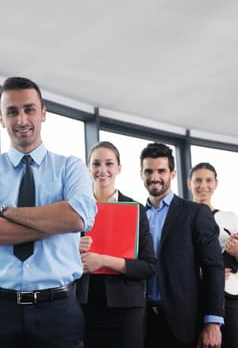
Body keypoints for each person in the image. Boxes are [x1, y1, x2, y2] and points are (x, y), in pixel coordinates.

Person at [0, 76, 97, 348]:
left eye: (29, 109)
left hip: (57, 311)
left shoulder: (71, 168)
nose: (22, 119)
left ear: (43, 114)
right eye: (12, 112)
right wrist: (53, 222)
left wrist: (8, 212)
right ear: (1, 118)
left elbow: (77, 217)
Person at [139, 142, 225, 348]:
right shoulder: (136, 215)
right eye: (148, 171)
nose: (154, 177)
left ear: (173, 173)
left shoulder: (195, 212)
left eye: (161, 171)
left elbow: (213, 266)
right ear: (141, 174)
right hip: (142, 320)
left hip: (183, 321)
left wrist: (213, 321)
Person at [76, 141, 156, 347]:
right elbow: (55, 257)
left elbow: (148, 267)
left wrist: (103, 260)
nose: (102, 170)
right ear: (88, 168)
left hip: (126, 311)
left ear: (119, 168)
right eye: (96, 164)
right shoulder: (75, 210)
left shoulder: (136, 210)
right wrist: (73, 249)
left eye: (109, 164)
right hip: (82, 307)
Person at [188, 162, 238, 348]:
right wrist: (202, 272)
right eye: (198, 180)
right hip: (196, 299)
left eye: (209, 180)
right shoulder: (183, 218)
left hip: (230, 300)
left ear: (216, 183)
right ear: (189, 183)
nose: (203, 186)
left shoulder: (230, 218)